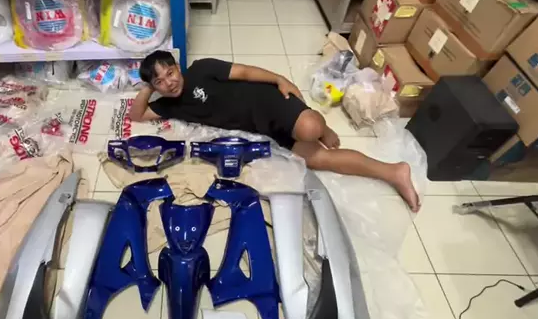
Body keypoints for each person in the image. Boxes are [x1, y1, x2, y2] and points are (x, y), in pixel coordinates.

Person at [129, 50, 420, 212]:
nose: (168, 82)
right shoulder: (169, 105)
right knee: (319, 159)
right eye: (159, 82)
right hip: (263, 126)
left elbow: (245, 72)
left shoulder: (201, 69)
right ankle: (394, 171)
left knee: (310, 128)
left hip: (269, 101)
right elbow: (137, 115)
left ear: (178, 67)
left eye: (170, 73)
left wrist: (280, 79)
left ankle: (321, 125)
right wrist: (147, 87)